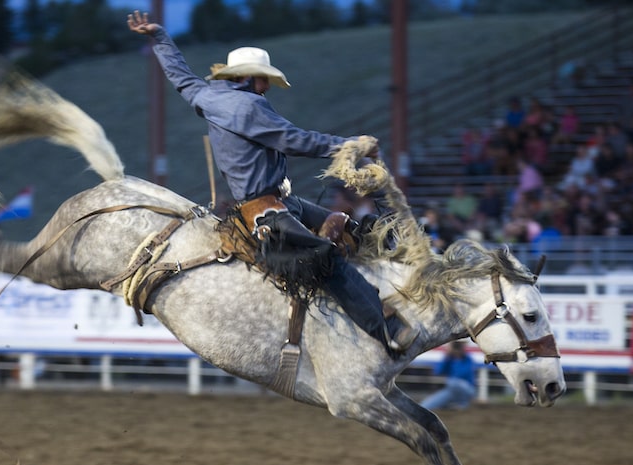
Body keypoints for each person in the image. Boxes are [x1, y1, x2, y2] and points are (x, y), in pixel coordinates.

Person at [127, 11, 416, 354]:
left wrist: (160, 37)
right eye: (263, 79)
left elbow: (180, 76)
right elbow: (296, 140)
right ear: (247, 78)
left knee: (348, 229)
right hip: (267, 210)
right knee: (327, 259)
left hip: (276, 203)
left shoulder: (206, 97)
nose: (266, 86)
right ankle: (386, 328)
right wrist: (351, 146)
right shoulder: (248, 107)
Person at [420, 341, 477, 411]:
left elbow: (462, 374)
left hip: (467, 389)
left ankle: (462, 404)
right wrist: (447, 356)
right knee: (426, 405)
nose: (457, 348)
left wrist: (456, 357)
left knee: (452, 382)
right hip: (452, 390)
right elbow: (438, 371)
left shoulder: (468, 359)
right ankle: (456, 404)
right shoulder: (449, 359)